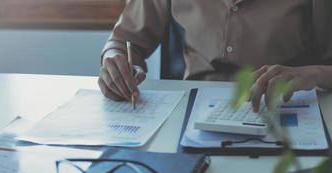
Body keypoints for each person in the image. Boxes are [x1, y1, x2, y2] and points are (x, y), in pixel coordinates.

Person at [98, 0, 332, 112]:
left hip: (282, 110)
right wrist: (116, 62)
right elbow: (123, 42)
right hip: (189, 114)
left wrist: (314, 72)